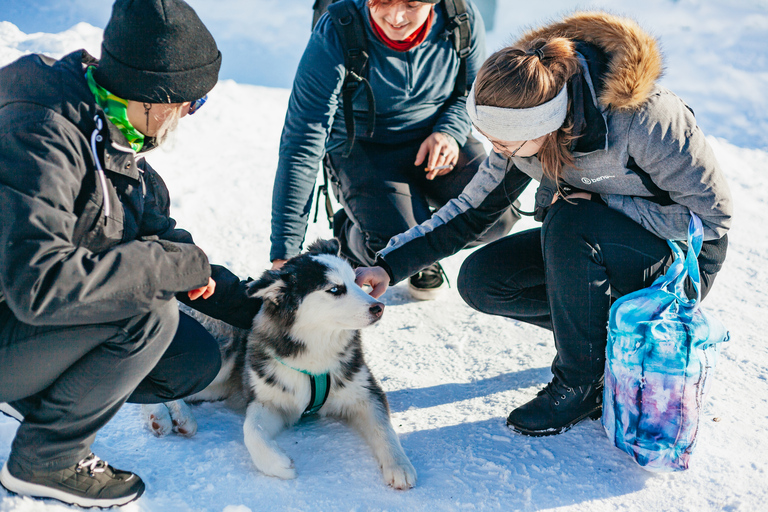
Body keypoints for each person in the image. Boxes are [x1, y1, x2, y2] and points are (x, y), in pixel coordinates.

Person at [356, 12, 732, 436]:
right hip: (587, 241)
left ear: (544, 123)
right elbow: (471, 209)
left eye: (503, 142)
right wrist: (388, 265)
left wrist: (605, 201)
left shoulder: (644, 118)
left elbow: (712, 218)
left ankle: (580, 385)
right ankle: (607, 348)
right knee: (483, 279)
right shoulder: (521, 127)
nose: (495, 149)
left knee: (573, 218)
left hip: (681, 262)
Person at [0, 0, 259, 507]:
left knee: (188, 359)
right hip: (19, 301)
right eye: (190, 104)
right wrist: (161, 269)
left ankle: (33, 396)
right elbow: (39, 286)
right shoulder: (40, 132)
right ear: (151, 94)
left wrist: (262, 305)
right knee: (146, 313)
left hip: (18, 315)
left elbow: (155, 234)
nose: (189, 116)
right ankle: (47, 458)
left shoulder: (110, 125)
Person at [270, 0, 518, 300]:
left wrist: (449, 132)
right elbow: (302, 143)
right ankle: (352, 235)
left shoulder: (461, 18)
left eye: (412, 4)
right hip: (364, 149)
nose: (396, 16)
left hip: (436, 137)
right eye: (382, 1)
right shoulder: (337, 30)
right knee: (395, 245)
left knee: (499, 211)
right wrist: (286, 252)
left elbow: (471, 92)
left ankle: (423, 237)